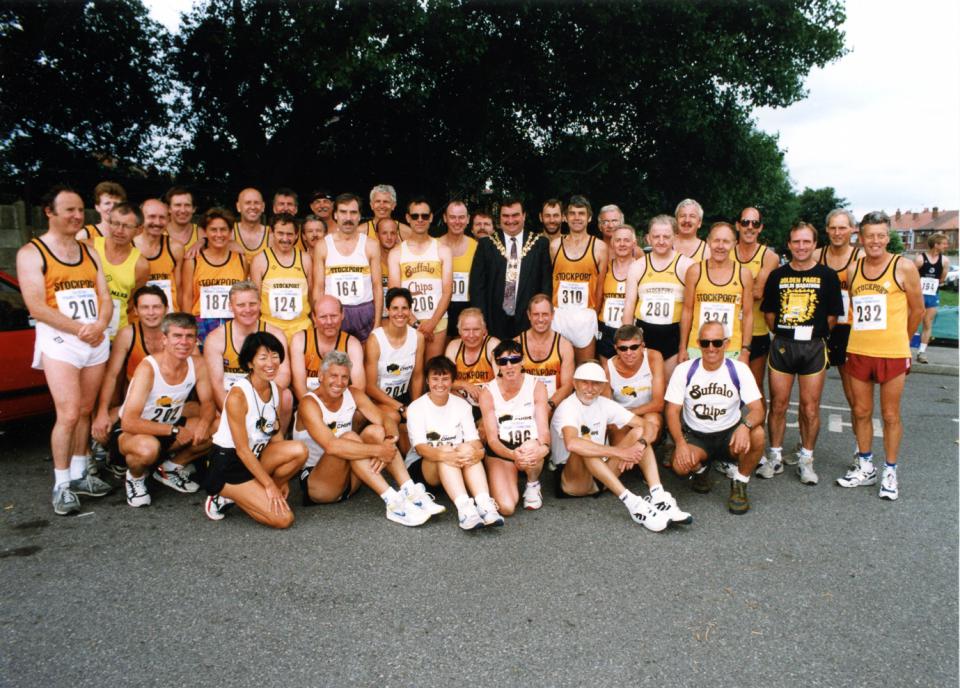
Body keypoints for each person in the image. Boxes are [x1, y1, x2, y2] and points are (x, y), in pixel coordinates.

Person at [17, 185, 114, 514]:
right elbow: (36, 305)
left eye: (79, 210)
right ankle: (61, 484)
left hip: (94, 338)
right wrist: (79, 329)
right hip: (61, 342)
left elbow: (104, 296)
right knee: (69, 412)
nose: (77, 216)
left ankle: (81, 471)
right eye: (69, 210)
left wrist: (100, 324)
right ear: (49, 212)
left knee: (85, 410)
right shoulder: (32, 253)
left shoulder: (89, 251)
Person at [293, 350, 440, 525]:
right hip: (320, 484)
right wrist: (380, 450)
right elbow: (332, 446)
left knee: (376, 432)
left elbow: (385, 418)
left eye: (344, 377)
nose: (339, 383)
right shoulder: (308, 403)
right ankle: (393, 502)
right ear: (321, 376)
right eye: (333, 376)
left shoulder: (353, 394)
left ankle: (411, 491)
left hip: (352, 476)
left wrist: (388, 440)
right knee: (349, 438)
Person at [837, 211, 923, 500]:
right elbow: (854, 311)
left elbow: (918, 310)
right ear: (860, 238)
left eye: (881, 236)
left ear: (888, 237)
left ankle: (890, 470)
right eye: (869, 236)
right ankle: (865, 465)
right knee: (861, 411)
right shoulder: (854, 269)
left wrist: (902, 340)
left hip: (892, 353)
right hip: (859, 349)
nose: (875, 241)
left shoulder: (904, 267)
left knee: (889, 414)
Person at [550, 361, 689, 531]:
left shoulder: (604, 403)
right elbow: (571, 443)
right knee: (583, 446)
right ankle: (634, 504)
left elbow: (649, 426)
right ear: (574, 383)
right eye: (584, 382)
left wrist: (640, 445)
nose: (590, 388)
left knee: (639, 433)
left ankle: (658, 495)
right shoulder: (568, 408)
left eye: (596, 383)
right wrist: (620, 453)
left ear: (603, 387)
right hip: (573, 481)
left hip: (602, 476)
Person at [758, 222, 842, 484]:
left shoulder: (828, 276)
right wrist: (789, 332)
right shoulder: (778, 276)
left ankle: (806, 460)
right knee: (779, 405)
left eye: (806, 241)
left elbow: (831, 318)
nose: (801, 246)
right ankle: (775, 457)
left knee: (810, 408)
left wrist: (811, 332)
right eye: (796, 241)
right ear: (789, 244)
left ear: (815, 244)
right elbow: (770, 316)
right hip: (783, 344)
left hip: (814, 346)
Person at [203, 332, 308, 527]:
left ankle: (257, 492)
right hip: (230, 464)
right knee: (284, 519)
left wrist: (281, 480)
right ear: (250, 363)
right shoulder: (237, 396)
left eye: (275, 356)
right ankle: (223, 496)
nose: (271, 362)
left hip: (255, 457)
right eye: (263, 357)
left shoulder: (275, 389)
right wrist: (269, 484)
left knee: (299, 450)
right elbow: (242, 449)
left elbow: (274, 432)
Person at [115, 313, 215, 507]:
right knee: (147, 448)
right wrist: (174, 430)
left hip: (169, 426)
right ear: (164, 339)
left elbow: (208, 402)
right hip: (134, 433)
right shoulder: (148, 368)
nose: (184, 342)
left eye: (189, 336)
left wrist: (204, 424)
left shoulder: (198, 364)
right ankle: (135, 478)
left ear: (196, 340)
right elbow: (129, 421)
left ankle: (171, 467)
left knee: (217, 427)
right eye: (177, 336)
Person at [665, 321, 765, 514]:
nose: (711, 348)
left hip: (730, 435)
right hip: (697, 435)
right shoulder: (684, 370)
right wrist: (680, 443)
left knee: (758, 434)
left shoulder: (739, 369)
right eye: (705, 342)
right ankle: (701, 469)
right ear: (698, 343)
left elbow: (758, 409)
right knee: (679, 466)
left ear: (726, 344)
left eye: (717, 343)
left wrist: (745, 426)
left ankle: (740, 482)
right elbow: (671, 411)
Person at [407, 356, 502, 529]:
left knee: (466, 447)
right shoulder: (416, 407)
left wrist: (477, 453)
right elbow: (421, 448)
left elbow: (475, 442)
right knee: (447, 449)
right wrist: (448, 455)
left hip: (454, 465)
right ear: (427, 381)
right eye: (435, 379)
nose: (440, 384)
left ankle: (484, 505)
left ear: (452, 381)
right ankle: (465, 510)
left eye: (445, 379)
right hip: (424, 469)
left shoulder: (461, 405)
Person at [92, 286, 170, 463]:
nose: (151, 313)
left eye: (156, 307)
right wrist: (102, 412)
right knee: (104, 426)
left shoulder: (176, 334)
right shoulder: (128, 334)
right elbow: (111, 375)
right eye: (145, 307)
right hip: (137, 403)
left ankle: (169, 457)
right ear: (135, 310)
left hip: (170, 402)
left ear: (166, 308)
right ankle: (116, 454)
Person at [479, 340, 549, 514]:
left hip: (529, 447)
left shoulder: (536, 385)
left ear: (522, 361)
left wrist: (544, 449)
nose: (509, 366)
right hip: (502, 451)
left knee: (532, 446)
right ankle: (509, 477)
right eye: (503, 362)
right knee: (506, 507)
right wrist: (512, 455)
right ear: (497, 365)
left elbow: (543, 430)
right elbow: (492, 439)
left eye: (514, 360)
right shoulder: (488, 392)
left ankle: (532, 483)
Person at [622, 214, 694, 382]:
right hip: (644, 336)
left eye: (666, 236)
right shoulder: (637, 266)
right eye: (656, 236)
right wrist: (626, 342)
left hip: (673, 337)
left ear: (675, 238)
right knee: (645, 388)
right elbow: (629, 305)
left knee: (671, 390)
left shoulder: (686, 265)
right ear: (648, 238)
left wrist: (684, 346)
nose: (661, 241)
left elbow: (690, 309)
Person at [469, 197, 552, 340]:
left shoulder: (540, 244)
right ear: (499, 218)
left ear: (524, 216)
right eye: (505, 216)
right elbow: (477, 287)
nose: (510, 220)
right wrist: (480, 321)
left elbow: (545, 285)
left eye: (515, 215)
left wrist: (541, 317)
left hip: (529, 320)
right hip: (493, 320)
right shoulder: (486, 245)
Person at [202, 281, 291, 412]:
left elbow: (284, 374)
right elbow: (217, 385)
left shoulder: (275, 334)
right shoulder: (216, 338)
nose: (248, 310)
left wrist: (259, 402)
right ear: (231, 307)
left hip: (264, 394)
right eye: (241, 305)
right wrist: (231, 415)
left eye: (252, 304)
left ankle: (275, 431)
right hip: (230, 397)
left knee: (286, 397)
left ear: (260, 304)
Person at [678, 222, 754, 362]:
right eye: (716, 240)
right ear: (708, 242)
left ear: (734, 244)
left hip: (731, 348)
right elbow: (687, 311)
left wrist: (745, 351)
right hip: (698, 347)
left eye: (726, 241)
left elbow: (748, 315)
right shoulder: (695, 271)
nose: (720, 246)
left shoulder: (744, 274)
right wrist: (682, 347)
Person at [388, 197, 453, 360]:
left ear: (431, 217)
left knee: (431, 369)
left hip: (437, 321)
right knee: (410, 372)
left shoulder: (443, 250)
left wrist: (431, 324)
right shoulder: (396, 253)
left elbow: (447, 292)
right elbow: (394, 294)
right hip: (406, 321)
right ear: (408, 218)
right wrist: (417, 324)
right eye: (415, 216)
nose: (420, 220)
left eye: (424, 216)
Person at [364, 287, 425, 453]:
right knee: (394, 416)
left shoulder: (417, 337)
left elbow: (418, 376)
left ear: (410, 310)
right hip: (379, 399)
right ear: (387, 310)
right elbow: (369, 386)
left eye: (404, 308)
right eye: (395, 308)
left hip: (403, 397)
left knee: (413, 426)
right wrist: (401, 408)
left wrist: (415, 407)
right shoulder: (375, 339)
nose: (400, 313)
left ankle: (407, 461)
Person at [314, 193, 382, 341]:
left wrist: (377, 323)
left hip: (364, 311)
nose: (348, 218)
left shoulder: (371, 245)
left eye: (353, 212)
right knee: (335, 360)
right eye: (343, 212)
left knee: (364, 360)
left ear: (359, 216)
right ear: (336, 215)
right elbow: (318, 287)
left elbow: (377, 286)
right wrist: (319, 320)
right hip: (334, 313)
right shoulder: (323, 246)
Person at [549, 194, 608, 363]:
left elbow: (601, 287)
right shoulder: (554, 246)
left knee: (584, 369)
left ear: (589, 217)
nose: (576, 218)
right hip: (559, 315)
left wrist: (593, 315)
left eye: (581, 213)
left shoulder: (599, 247)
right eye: (572, 213)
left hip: (585, 315)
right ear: (565, 218)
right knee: (559, 370)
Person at [814, 209, 862, 414]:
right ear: (826, 230)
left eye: (842, 227)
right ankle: (806, 441)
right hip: (822, 326)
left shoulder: (861, 257)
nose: (837, 232)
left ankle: (860, 443)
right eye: (833, 228)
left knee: (854, 396)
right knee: (810, 393)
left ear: (852, 229)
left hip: (849, 328)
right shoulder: (817, 255)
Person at [733, 207, 780, 404]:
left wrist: (730, 290)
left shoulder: (769, 257)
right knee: (725, 387)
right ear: (737, 225)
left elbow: (758, 292)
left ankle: (756, 433)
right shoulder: (726, 251)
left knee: (754, 387)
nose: (750, 227)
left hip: (757, 331)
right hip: (729, 330)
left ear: (761, 228)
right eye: (745, 222)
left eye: (755, 223)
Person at [181, 207, 246, 344]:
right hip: (202, 323)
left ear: (230, 232)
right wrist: (188, 329)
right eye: (213, 230)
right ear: (205, 232)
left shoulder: (240, 259)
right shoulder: (193, 260)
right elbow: (187, 296)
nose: (219, 234)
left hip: (233, 322)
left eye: (223, 229)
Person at [249, 213, 313, 341]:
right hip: (270, 326)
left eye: (289, 234)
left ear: (296, 235)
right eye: (280, 233)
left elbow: (312, 295)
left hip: (301, 326)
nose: (285, 238)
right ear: (272, 233)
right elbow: (254, 299)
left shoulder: (305, 259)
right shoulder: (260, 260)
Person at [89, 202, 149, 338]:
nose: (119, 230)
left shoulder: (141, 265)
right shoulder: (88, 247)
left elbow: (131, 303)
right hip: (83, 329)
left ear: (139, 230)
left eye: (127, 226)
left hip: (116, 335)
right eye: (115, 223)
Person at [290, 295, 365, 399]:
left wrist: (337, 411)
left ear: (342, 315)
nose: (329, 322)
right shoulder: (300, 340)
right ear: (314, 318)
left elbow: (358, 388)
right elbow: (299, 386)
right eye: (323, 317)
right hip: (309, 403)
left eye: (334, 316)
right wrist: (313, 409)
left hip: (342, 404)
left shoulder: (352, 344)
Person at [602, 325, 666, 448]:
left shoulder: (654, 357)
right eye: (623, 348)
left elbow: (658, 404)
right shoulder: (608, 369)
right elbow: (607, 410)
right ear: (616, 349)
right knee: (617, 435)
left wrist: (629, 414)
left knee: (653, 420)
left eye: (634, 347)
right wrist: (624, 418)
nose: (629, 353)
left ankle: (642, 457)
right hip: (622, 419)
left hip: (645, 412)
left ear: (642, 346)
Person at [517, 294, 575, 413]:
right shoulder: (517, 343)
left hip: (554, 406)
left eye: (545, 314)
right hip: (523, 406)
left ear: (552, 315)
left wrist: (548, 406)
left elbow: (568, 386)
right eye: (536, 314)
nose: (540, 319)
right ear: (529, 315)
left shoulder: (564, 346)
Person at [444, 308, 500, 411]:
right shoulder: (453, 347)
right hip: (461, 404)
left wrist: (484, 395)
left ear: (484, 330)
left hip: (489, 403)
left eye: (476, 329)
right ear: (459, 331)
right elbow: (444, 381)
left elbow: (502, 381)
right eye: (466, 330)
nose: (471, 335)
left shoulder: (493, 345)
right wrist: (465, 385)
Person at [597, 225, 638, 361]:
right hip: (607, 329)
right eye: (618, 240)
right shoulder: (605, 268)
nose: (622, 244)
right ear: (612, 244)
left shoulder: (641, 268)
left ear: (634, 243)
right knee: (607, 374)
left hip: (631, 330)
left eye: (626, 240)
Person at [135, 198, 184, 310]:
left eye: (162, 217)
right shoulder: (128, 246)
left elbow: (179, 287)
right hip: (137, 316)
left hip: (168, 317)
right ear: (141, 218)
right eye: (152, 217)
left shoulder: (175, 248)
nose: (157, 222)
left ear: (168, 220)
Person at [439, 200, 477, 338]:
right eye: (452, 217)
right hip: (440, 309)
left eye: (461, 217)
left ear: (468, 219)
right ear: (445, 218)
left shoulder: (476, 247)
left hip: (467, 310)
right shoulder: (434, 246)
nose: (457, 221)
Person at [914, 232, 950, 364]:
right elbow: (911, 277)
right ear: (936, 244)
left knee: (927, 323)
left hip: (932, 295)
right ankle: (903, 350)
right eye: (944, 243)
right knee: (911, 322)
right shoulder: (920, 259)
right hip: (918, 296)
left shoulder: (944, 261)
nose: (946, 246)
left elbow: (941, 279)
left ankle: (921, 352)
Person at [233, 187, 270, 265]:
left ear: (263, 207)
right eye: (248, 203)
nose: (253, 207)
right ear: (238, 207)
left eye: (256, 203)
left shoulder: (272, 234)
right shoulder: (229, 233)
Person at [164, 186, 204, 255]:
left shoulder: (201, 234)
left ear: (194, 209)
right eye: (178, 205)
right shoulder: (159, 232)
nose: (183, 210)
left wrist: (203, 241)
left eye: (187, 205)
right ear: (169, 208)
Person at [374, 217, 400, 318]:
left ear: (397, 234)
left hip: (399, 315)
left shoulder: (404, 258)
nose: (389, 237)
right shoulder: (370, 259)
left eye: (393, 233)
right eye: (384, 233)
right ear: (377, 235)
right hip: (376, 315)